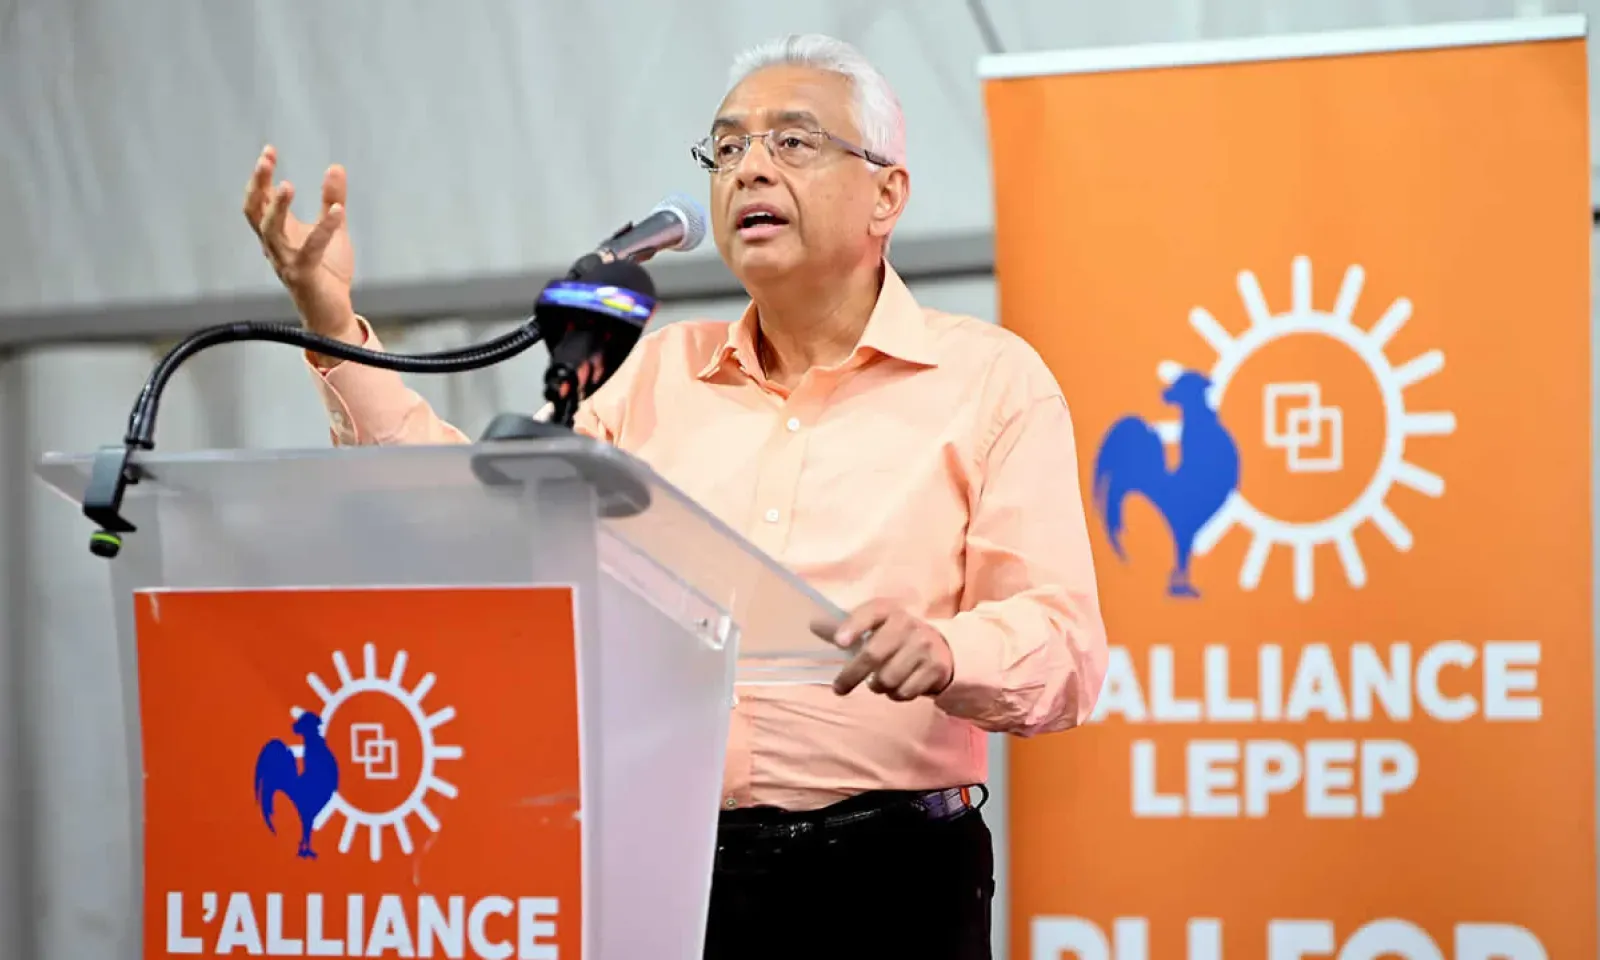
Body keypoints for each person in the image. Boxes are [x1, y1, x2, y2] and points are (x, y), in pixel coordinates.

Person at [243, 32, 1108, 960]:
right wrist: (330, 320)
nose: (749, 170)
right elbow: (477, 530)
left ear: (887, 194)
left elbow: (1064, 648)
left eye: (792, 141)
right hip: (657, 863)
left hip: (888, 882)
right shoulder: (648, 375)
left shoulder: (988, 380)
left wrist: (945, 649)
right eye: (727, 148)